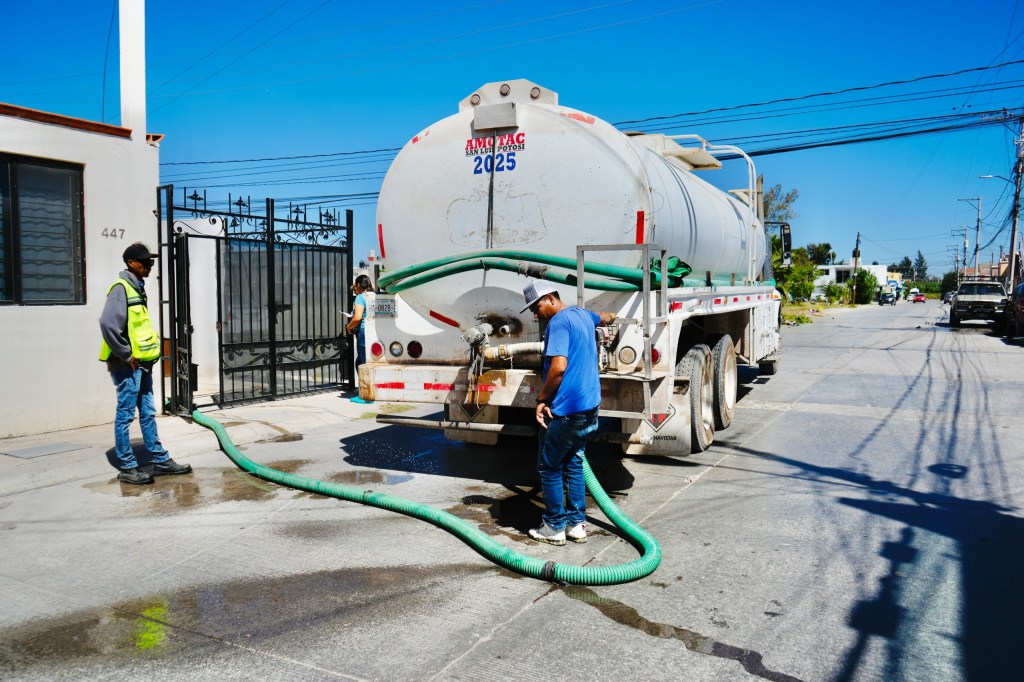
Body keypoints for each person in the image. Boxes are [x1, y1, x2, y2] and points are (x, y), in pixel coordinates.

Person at [521, 279, 616, 545]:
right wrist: (615, 316)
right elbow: (605, 317)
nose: (534, 313)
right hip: (589, 408)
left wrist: (542, 398)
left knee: (549, 468)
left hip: (567, 411)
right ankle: (576, 525)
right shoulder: (583, 315)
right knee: (574, 463)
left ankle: (554, 527)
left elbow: (558, 367)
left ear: (550, 299)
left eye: (536, 306)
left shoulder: (559, 323)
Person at [99, 242, 193, 485]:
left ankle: (160, 460)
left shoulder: (136, 288)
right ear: (131, 263)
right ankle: (128, 467)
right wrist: (126, 355)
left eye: (151, 261)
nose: (150, 265)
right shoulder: (121, 289)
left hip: (142, 364)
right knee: (125, 414)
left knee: (148, 413)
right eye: (145, 261)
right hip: (127, 364)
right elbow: (108, 324)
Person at [346, 274, 374, 404]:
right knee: (362, 362)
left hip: (363, 332)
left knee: (363, 364)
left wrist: (348, 326)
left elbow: (357, 318)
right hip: (375, 332)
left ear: (358, 285)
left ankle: (366, 396)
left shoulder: (360, 298)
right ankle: (368, 391)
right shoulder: (374, 296)